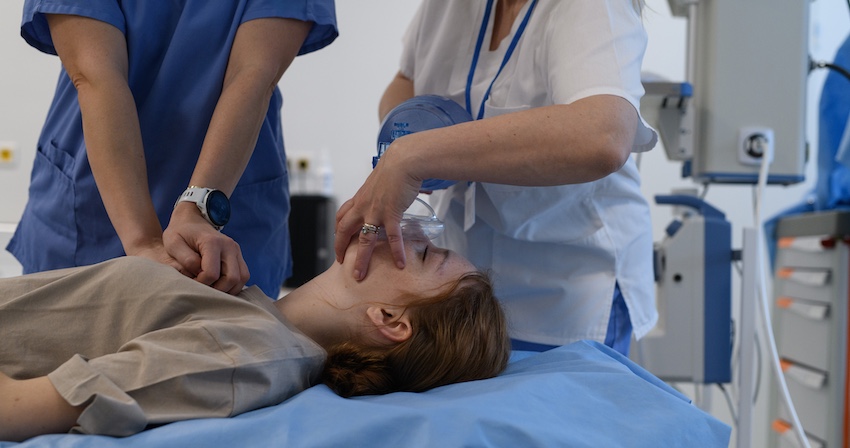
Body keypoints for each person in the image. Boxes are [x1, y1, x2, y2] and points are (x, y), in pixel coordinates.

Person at [334, 0, 658, 355]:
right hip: (462, 283)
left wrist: (416, 155)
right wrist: (407, 135)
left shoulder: (590, 8)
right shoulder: (446, 7)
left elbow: (603, 136)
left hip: (568, 288)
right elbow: (405, 81)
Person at [0, 235, 510, 442]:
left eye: (424, 254)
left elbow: (19, 408)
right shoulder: (248, 311)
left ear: (392, 320)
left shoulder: (251, 355)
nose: (409, 233)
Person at [9, 1, 338, 298]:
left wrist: (198, 210)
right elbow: (96, 75)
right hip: (91, 210)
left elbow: (253, 76)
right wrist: (143, 242)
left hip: (230, 221)